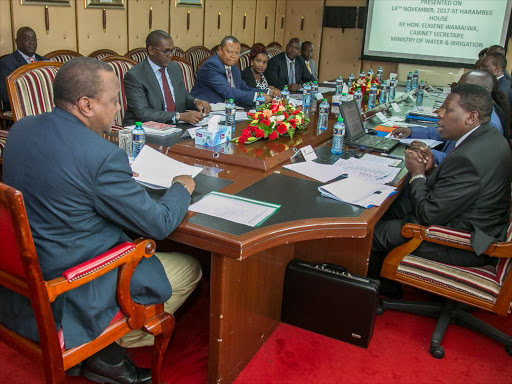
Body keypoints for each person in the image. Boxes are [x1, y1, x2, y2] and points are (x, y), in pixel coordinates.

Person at [0, 57, 202, 384]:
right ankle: (109, 346)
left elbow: (62, 179)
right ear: (85, 104)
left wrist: (112, 181)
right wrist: (181, 186)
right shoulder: (102, 155)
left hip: (24, 273)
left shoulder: (21, 129)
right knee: (191, 267)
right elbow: (161, 224)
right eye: (113, 100)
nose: (119, 108)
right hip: (72, 285)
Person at [371, 84, 512, 282]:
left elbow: (428, 214)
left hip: (461, 242)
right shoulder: (489, 138)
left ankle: (372, 289)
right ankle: (384, 282)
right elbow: (462, 185)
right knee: (388, 209)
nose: (439, 113)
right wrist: (432, 170)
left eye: (447, 109)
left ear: (471, 117)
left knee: (372, 233)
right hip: (473, 220)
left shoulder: (468, 157)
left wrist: (418, 174)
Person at [391, 69, 509, 164]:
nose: (455, 89)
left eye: (462, 87)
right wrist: (412, 131)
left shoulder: (487, 125)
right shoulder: (476, 115)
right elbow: (443, 132)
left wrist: (428, 152)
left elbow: (460, 164)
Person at [123, 30, 210, 126]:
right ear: (151, 50)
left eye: (172, 50)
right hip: (143, 130)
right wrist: (179, 116)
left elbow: (182, 97)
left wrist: (196, 102)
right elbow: (143, 113)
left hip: (174, 126)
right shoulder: (135, 76)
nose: (170, 55)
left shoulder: (175, 68)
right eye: (166, 51)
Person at [190, 36, 273, 106]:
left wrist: (269, 92)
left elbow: (244, 88)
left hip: (227, 109)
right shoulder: (211, 65)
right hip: (206, 108)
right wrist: (257, 97)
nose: (233, 56)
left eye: (237, 53)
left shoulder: (233, 67)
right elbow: (227, 91)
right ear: (219, 50)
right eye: (230, 52)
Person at [0, 27, 48, 111]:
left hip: (46, 107)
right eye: (27, 39)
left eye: (34, 39)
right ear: (17, 42)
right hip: (21, 109)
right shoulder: (6, 63)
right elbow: (6, 95)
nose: (32, 42)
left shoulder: (45, 61)